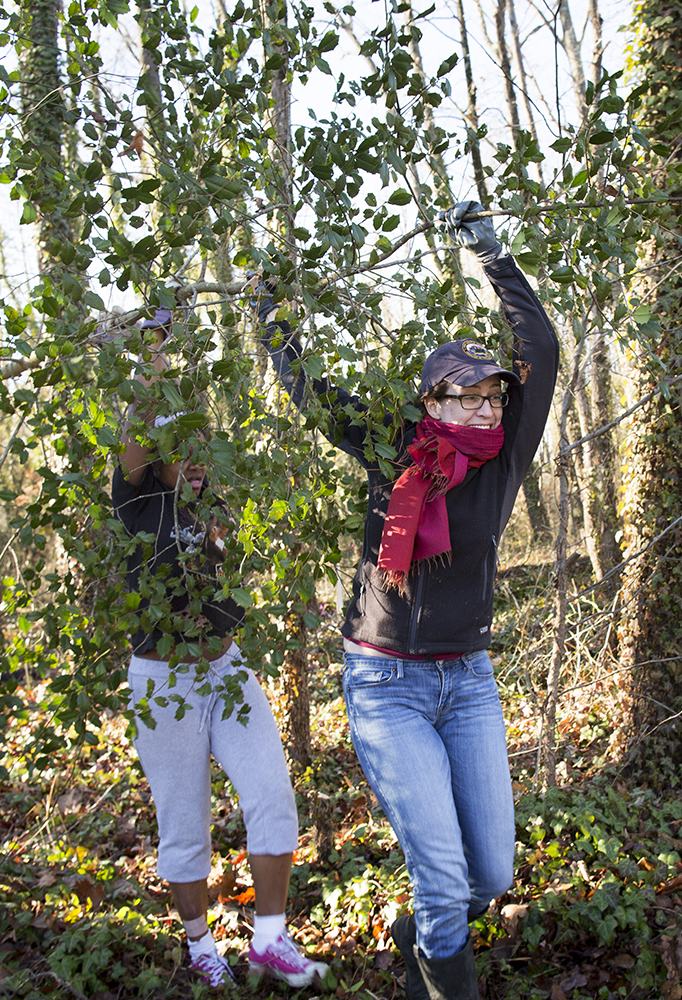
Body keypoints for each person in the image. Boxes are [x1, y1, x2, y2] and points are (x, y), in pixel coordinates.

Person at [254, 201, 559, 1000]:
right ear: (431, 402)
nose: (486, 408)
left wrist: (493, 255)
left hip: (468, 682)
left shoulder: (503, 460)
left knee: (491, 870)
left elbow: (545, 352)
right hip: (384, 685)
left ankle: (428, 933)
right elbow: (309, 391)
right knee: (442, 873)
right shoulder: (395, 449)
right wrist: (269, 308)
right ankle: (442, 952)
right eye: (465, 395)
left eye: (493, 394)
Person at [112, 307, 328, 990]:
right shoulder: (137, 502)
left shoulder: (222, 511)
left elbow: (245, 580)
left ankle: (269, 937)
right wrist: (156, 345)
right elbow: (142, 423)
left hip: (227, 674)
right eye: (183, 451)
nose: (197, 462)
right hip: (161, 681)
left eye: (206, 450)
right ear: (163, 457)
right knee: (184, 823)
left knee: (272, 794)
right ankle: (201, 943)